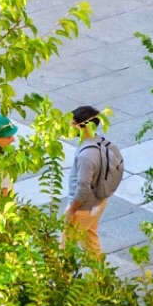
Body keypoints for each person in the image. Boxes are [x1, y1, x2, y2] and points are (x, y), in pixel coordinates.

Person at [64, 105, 124, 256]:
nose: (69, 126)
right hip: (99, 202)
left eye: (72, 123)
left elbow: (83, 188)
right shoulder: (104, 143)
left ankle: (65, 271)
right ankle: (98, 270)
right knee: (90, 240)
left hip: (83, 208)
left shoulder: (86, 155)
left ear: (80, 126)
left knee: (65, 248)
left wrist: (71, 209)